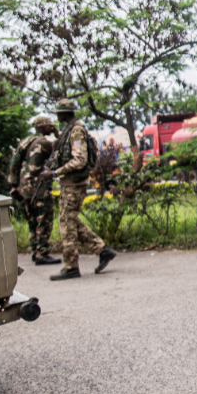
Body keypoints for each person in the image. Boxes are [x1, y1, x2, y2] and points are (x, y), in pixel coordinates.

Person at [40, 99, 116, 280]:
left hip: (73, 184)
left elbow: (79, 160)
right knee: (70, 220)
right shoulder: (69, 129)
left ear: (65, 113)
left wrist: (54, 173)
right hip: (70, 183)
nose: (57, 115)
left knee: (67, 224)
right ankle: (102, 250)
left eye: (59, 112)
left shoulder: (76, 131)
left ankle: (71, 266)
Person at [8, 116, 61, 265]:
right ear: (43, 127)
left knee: (31, 220)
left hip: (24, 187)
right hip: (39, 188)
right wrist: (58, 135)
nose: (51, 128)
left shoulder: (25, 141)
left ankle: (35, 251)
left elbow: (14, 163)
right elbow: (60, 155)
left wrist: (13, 184)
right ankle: (42, 253)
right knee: (44, 220)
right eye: (49, 126)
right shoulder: (45, 143)